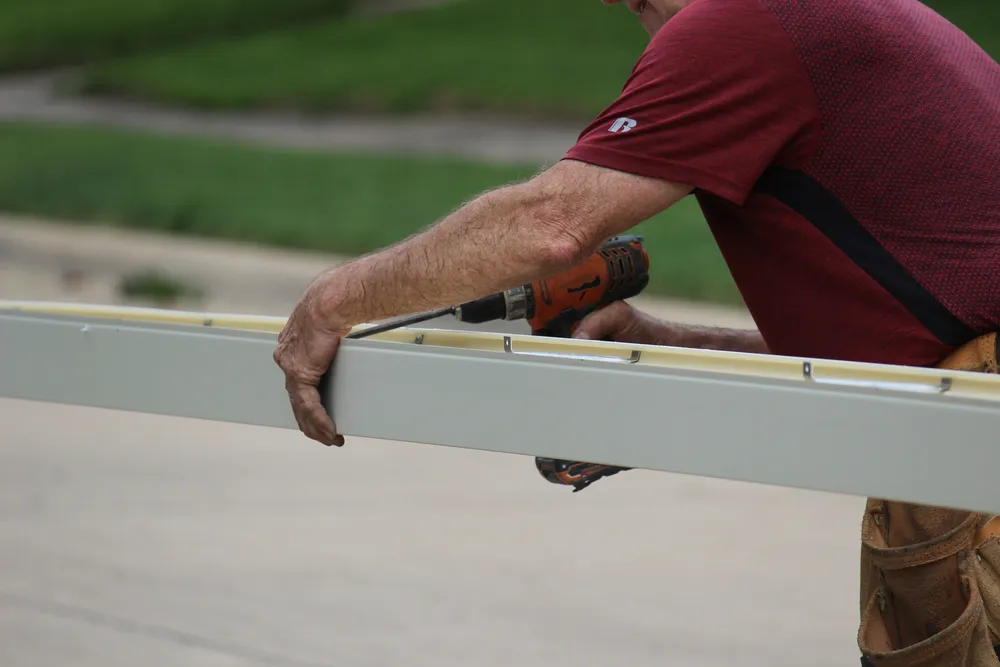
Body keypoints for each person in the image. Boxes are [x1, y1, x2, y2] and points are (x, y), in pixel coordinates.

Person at [274, 0, 1000, 664]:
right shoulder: (850, 17)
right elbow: (914, 340)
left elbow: (550, 224)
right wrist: (683, 351)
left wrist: (334, 301)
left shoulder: (738, 21)